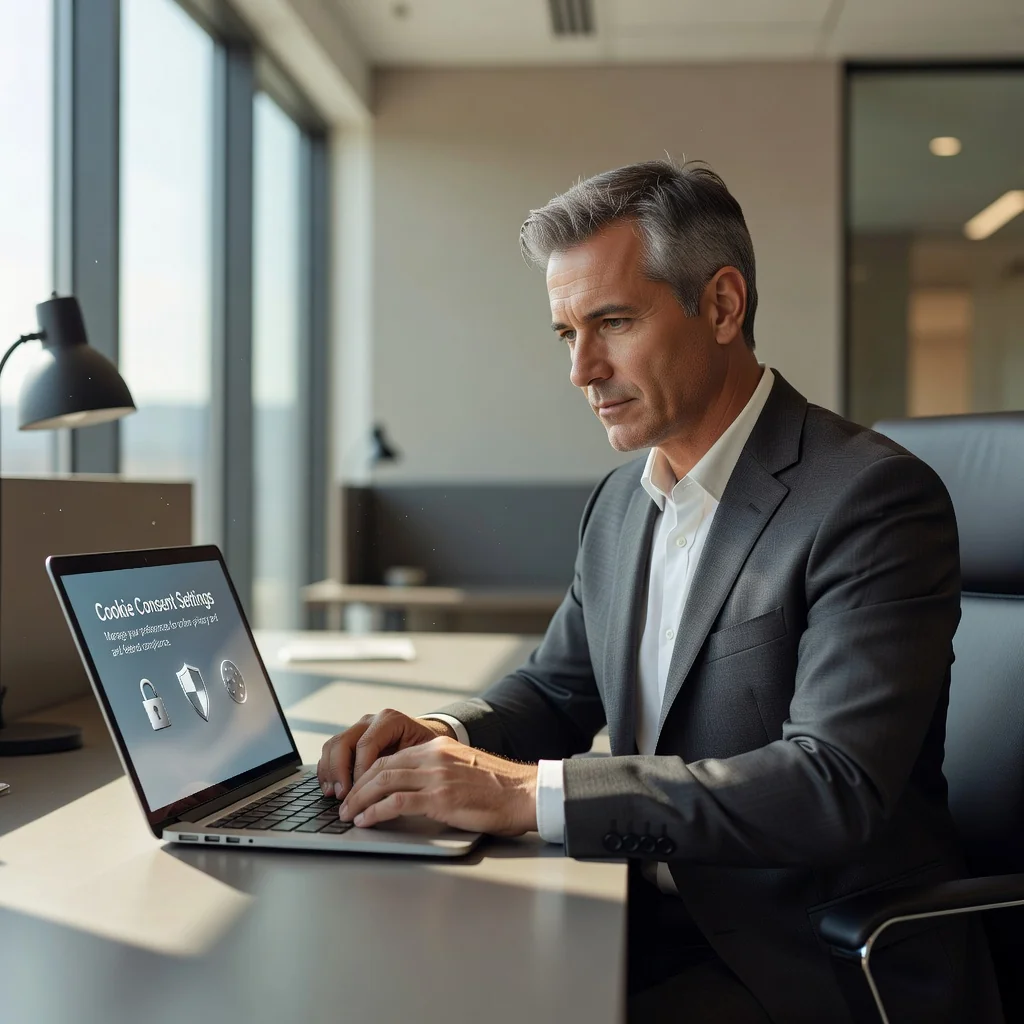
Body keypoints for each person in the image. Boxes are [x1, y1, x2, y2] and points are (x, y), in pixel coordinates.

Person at [317, 161, 997, 1023]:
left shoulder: (867, 499)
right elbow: (558, 689)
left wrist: (529, 794)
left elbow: (832, 784)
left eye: (613, 321)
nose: (582, 370)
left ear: (721, 306)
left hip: (808, 960)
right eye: (567, 333)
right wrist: (442, 738)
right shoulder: (620, 502)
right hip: (640, 914)